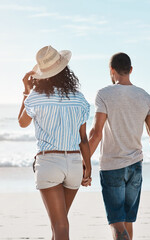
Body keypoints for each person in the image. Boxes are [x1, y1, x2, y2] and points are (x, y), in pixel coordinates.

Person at [88, 52, 150, 240]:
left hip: (112, 166)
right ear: (131, 70)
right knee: (127, 222)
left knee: (117, 223)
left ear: (112, 70)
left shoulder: (104, 94)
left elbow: (96, 133)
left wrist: (83, 163)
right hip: (135, 167)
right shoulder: (146, 97)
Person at [18, 45, 92, 240]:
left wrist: (26, 92)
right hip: (75, 164)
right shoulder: (79, 98)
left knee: (60, 226)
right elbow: (83, 139)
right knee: (59, 225)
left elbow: (22, 123)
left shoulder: (36, 97)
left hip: (49, 163)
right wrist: (89, 169)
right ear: (64, 70)